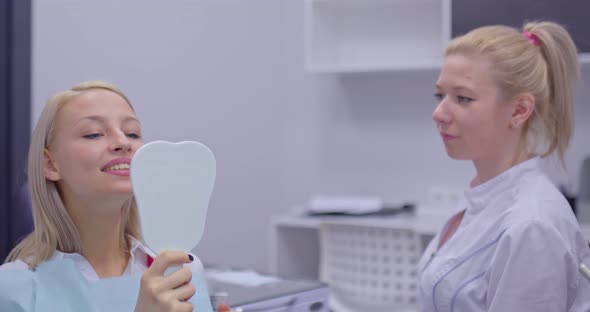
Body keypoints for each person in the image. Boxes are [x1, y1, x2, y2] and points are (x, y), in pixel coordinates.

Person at [0, 81, 230, 312]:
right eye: (93, 134)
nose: (123, 142)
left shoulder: (182, 269)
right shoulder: (13, 290)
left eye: (132, 133)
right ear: (50, 165)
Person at [418, 21, 590, 311]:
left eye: (463, 98)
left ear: (520, 110)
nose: (439, 113)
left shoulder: (532, 226)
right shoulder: (483, 201)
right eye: (440, 95)